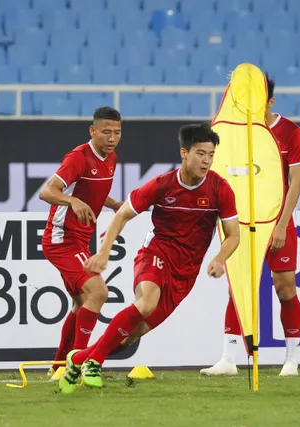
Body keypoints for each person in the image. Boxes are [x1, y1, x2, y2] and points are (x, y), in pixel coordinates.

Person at [58, 123, 240, 393]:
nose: (206, 161)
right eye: (201, 153)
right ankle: (94, 361)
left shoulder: (220, 189)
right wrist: (104, 252)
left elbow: (234, 235)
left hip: (186, 271)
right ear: (184, 153)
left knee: (129, 337)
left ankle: (79, 358)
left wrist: (220, 258)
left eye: (211, 155)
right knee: (145, 303)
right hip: (156, 253)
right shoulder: (162, 185)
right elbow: (122, 214)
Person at [201, 74, 300, 377]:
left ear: (270, 101)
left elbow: (296, 181)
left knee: (285, 288)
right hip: (242, 225)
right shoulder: (232, 132)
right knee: (239, 288)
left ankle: (291, 359)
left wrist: (281, 225)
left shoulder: (290, 132)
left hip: (277, 224)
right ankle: (229, 360)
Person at [39, 107, 123, 373]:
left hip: (80, 239)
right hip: (62, 239)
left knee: (81, 304)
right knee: (98, 292)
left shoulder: (111, 158)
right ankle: (80, 365)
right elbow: (46, 191)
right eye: (106, 132)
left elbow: (90, 190)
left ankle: (58, 368)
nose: (111, 138)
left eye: (117, 133)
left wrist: (112, 204)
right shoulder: (78, 157)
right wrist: (71, 201)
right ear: (93, 131)